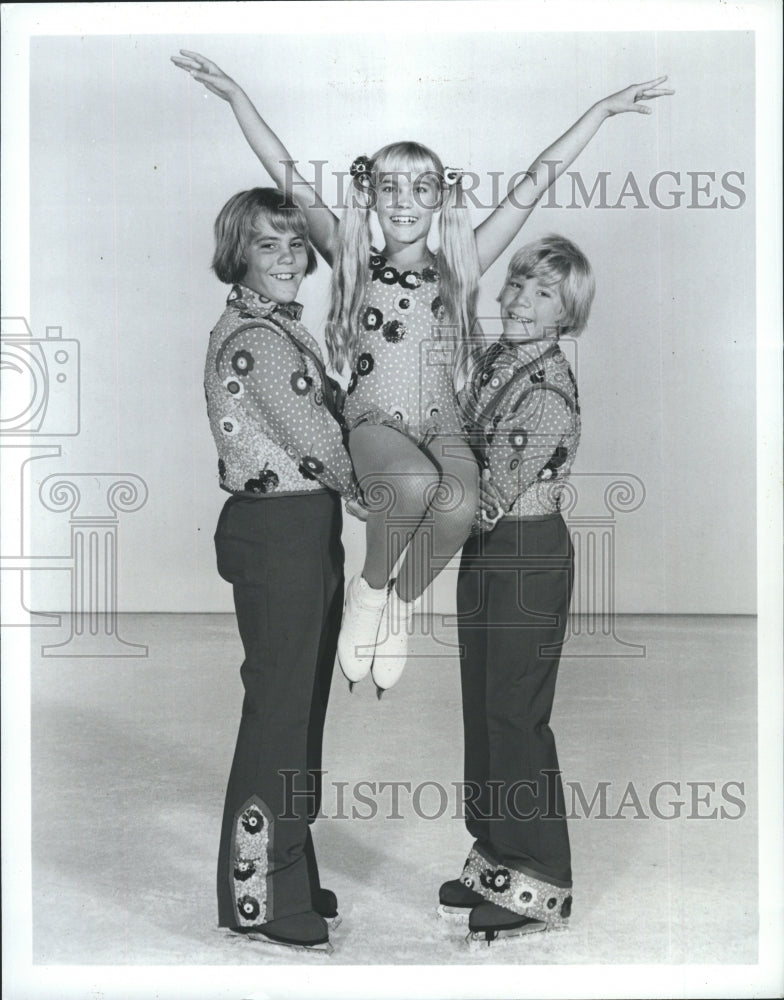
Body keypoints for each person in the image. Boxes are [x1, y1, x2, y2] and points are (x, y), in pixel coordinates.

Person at [172, 49, 672, 696]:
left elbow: (535, 182)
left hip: (442, 421)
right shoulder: (350, 254)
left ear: (440, 200)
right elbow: (287, 171)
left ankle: (402, 605)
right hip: (375, 417)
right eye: (390, 189)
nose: (404, 203)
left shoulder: (458, 266)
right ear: (372, 199)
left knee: (458, 503)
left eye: (420, 189)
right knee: (407, 486)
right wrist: (240, 98)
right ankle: (369, 592)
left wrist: (599, 112)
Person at [205, 187, 356, 952]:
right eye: (269, 245)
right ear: (239, 253)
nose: (290, 257)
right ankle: (260, 894)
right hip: (280, 531)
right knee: (280, 714)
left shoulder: (273, 327)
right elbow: (317, 439)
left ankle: (288, 864)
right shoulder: (258, 339)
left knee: (299, 711)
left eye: (297, 243)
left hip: (302, 524)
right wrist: (381, 496)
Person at [438, 235, 594, 944]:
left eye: (543, 295)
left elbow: (489, 486)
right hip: (487, 549)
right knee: (484, 703)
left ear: (568, 315)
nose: (521, 303)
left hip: (527, 552)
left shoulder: (549, 388)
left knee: (516, 712)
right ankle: (498, 856)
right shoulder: (498, 360)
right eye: (517, 287)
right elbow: (456, 443)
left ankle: (541, 877)